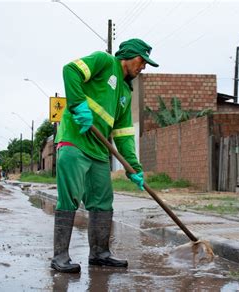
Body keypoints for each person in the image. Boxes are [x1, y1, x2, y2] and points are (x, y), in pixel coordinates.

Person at [51, 38, 159, 273]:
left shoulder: (126, 93)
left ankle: (100, 253)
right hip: (75, 140)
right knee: (70, 197)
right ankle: (60, 256)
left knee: (102, 201)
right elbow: (70, 70)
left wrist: (134, 167)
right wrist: (78, 105)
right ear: (129, 56)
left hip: (99, 151)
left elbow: (123, 134)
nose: (143, 67)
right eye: (142, 61)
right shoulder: (104, 61)